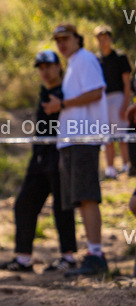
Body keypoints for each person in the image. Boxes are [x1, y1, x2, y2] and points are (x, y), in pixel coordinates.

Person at [0, 50, 78, 273]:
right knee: (24, 203)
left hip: (60, 154)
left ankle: (69, 258)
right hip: (40, 156)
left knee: (63, 207)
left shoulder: (68, 92)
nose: (44, 71)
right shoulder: (45, 91)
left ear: (58, 66)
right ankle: (23, 259)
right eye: (40, 67)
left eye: (48, 66)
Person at [43, 23, 111, 277]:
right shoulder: (73, 64)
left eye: (66, 38)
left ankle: (97, 255)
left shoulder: (85, 59)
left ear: (77, 39)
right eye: (57, 39)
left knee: (88, 197)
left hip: (84, 138)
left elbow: (96, 91)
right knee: (82, 199)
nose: (61, 44)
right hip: (72, 141)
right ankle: (93, 252)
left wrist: (63, 104)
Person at [94, 26, 132, 178]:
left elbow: (127, 83)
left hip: (118, 98)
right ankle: (110, 168)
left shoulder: (120, 57)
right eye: (100, 38)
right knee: (106, 136)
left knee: (121, 134)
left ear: (110, 38)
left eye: (105, 37)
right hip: (102, 100)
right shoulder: (96, 60)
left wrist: (125, 105)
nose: (103, 41)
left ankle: (126, 164)